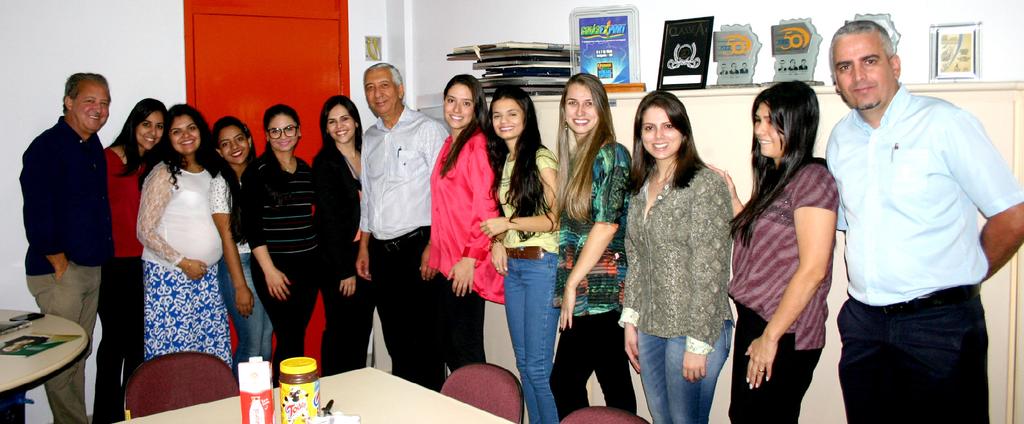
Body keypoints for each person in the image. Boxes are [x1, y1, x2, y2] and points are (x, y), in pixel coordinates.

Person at [826, 21, 1024, 423]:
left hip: (941, 327)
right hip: (865, 325)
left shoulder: (946, 123)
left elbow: (1013, 215)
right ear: (836, 81)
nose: (858, 76)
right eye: (845, 67)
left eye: (869, 61)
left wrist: (968, 273)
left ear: (894, 65)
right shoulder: (839, 139)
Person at [712, 81, 838, 423]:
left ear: (797, 124)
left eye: (771, 120)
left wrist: (770, 337)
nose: (760, 130)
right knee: (745, 416)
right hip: (757, 322)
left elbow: (813, 269)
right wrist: (735, 201)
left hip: (785, 330)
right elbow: (766, 244)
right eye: (758, 119)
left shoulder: (813, 179)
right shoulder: (776, 175)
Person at [620, 91, 733, 424]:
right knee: (662, 419)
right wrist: (631, 321)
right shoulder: (641, 186)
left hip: (695, 326)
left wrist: (698, 344)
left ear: (684, 131)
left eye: (668, 126)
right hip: (651, 326)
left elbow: (711, 270)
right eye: (649, 128)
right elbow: (636, 259)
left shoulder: (704, 185)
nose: (658, 136)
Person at [20, 72, 114, 424]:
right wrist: (59, 262)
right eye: (90, 100)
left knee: (77, 354)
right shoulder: (47, 147)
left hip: (90, 268)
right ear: (68, 102)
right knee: (62, 358)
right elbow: (37, 209)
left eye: (104, 103)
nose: (99, 108)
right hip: (60, 272)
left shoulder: (92, 148)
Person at [357, 63, 448, 390]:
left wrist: (435, 245)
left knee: (426, 341)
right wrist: (365, 246)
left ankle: (431, 409)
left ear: (400, 90)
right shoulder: (370, 136)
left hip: (418, 246)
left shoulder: (428, 130)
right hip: (382, 253)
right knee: (396, 339)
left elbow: (444, 193)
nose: (377, 93)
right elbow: (368, 195)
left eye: (383, 85)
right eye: (369, 87)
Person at [550, 73, 636, 418]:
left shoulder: (612, 154)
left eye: (589, 103)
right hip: (588, 292)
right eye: (572, 103)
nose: (580, 111)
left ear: (601, 109)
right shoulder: (580, 158)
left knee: (570, 382)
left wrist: (571, 284)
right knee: (612, 383)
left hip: (602, 291)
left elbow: (606, 225)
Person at [481, 85, 560, 424]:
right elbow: (504, 225)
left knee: (539, 368)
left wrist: (505, 223)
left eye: (512, 113)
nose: (504, 121)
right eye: (497, 115)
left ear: (526, 117)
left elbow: (555, 220)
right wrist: (497, 240)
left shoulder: (540, 157)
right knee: (524, 363)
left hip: (542, 265)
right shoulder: (504, 160)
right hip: (515, 268)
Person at [137, 104, 230, 364]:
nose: (186, 135)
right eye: (176, 131)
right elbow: (144, 230)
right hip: (170, 278)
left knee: (208, 353)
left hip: (208, 278)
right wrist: (183, 262)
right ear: (168, 138)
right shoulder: (164, 172)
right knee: (175, 355)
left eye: (191, 128)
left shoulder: (210, 170)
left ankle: (211, 405)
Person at [92, 98, 166, 424]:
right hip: (113, 266)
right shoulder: (108, 159)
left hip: (146, 265)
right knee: (113, 346)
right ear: (133, 124)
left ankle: (132, 413)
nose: (152, 132)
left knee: (139, 345)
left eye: (159, 126)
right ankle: (106, 416)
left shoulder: (154, 166)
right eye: (146, 124)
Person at [241, 104, 324, 380]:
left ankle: (293, 399)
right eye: (275, 131)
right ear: (266, 135)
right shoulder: (257, 172)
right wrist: (270, 272)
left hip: (308, 266)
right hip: (275, 267)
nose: (282, 135)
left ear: (299, 132)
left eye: (288, 128)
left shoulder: (305, 170)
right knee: (288, 336)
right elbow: (252, 227)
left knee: (296, 335)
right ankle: (286, 401)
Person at [429, 74, 504, 372]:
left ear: (477, 108)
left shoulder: (478, 145)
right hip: (446, 264)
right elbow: (442, 207)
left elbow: (486, 209)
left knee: (466, 351)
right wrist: (434, 252)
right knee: (449, 347)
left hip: (465, 265)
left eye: (466, 103)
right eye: (451, 101)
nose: (456, 109)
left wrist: (469, 260)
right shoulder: (450, 143)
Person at [313, 95, 375, 375]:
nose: (340, 126)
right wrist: (343, 271)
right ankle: (334, 388)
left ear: (356, 122)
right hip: (341, 258)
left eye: (345, 119)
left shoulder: (369, 152)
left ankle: (358, 384)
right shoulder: (325, 163)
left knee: (362, 327)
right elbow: (328, 221)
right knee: (340, 329)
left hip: (369, 249)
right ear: (326, 128)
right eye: (332, 121)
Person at [210, 116, 273, 374]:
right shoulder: (220, 184)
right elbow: (227, 239)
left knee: (267, 338)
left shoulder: (260, 175)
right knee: (251, 343)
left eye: (239, 139)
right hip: (239, 264)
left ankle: (263, 404)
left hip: (264, 263)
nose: (234, 146)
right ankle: (242, 408)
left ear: (249, 139)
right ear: (218, 151)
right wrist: (240, 286)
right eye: (225, 144)